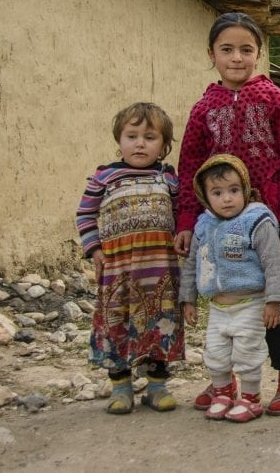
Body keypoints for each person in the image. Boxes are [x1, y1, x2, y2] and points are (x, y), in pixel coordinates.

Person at [174, 12, 280, 416]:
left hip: (263, 219)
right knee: (224, 295)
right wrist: (185, 221)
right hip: (218, 223)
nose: (236, 57)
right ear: (211, 53)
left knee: (271, 297)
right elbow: (189, 165)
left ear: (259, 54)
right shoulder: (204, 108)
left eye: (246, 49)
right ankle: (224, 381)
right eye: (226, 49)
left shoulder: (275, 99)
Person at [75, 102, 184, 415]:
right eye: (132, 135)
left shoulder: (169, 180)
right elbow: (85, 213)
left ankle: (157, 386)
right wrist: (94, 248)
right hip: (118, 271)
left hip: (160, 272)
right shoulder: (104, 177)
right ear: (118, 140)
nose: (140, 143)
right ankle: (121, 387)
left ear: (164, 145)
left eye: (150, 137)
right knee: (116, 325)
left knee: (162, 324)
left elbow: (181, 216)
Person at [179, 154, 280, 423]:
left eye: (234, 190)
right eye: (217, 192)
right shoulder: (204, 225)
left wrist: (273, 301)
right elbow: (192, 263)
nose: (227, 198)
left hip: (250, 304)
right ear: (205, 197)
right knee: (215, 353)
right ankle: (223, 393)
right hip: (217, 307)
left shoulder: (256, 221)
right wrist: (188, 300)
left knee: (247, 353)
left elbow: (274, 262)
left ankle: (250, 399)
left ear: (246, 190)